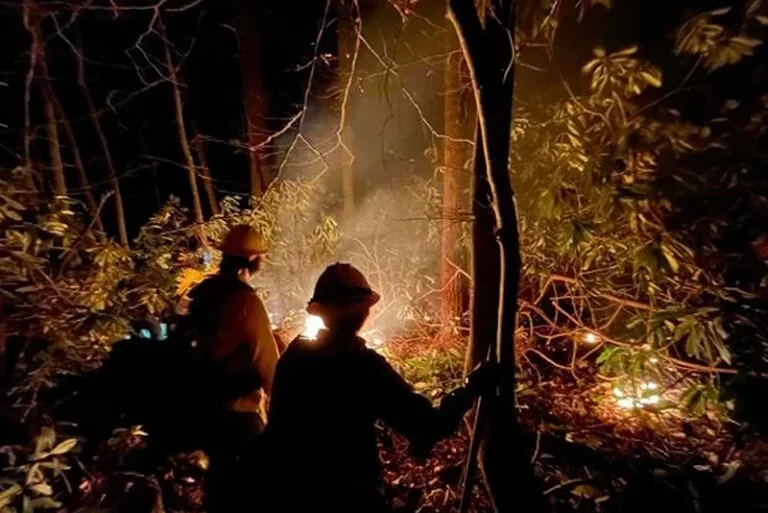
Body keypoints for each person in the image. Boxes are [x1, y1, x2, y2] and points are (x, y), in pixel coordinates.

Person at [265, 263, 496, 513]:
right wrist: (471, 389)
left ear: (320, 311)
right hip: (347, 496)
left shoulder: (295, 356)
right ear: (364, 311)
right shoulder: (361, 364)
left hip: (287, 493)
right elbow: (425, 425)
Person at [187, 224, 279, 512]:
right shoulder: (245, 301)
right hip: (238, 416)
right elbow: (267, 360)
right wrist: (284, 409)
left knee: (219, 487)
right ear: (253, 260)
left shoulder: (205, 293)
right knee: (250, 492)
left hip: (205, 409)